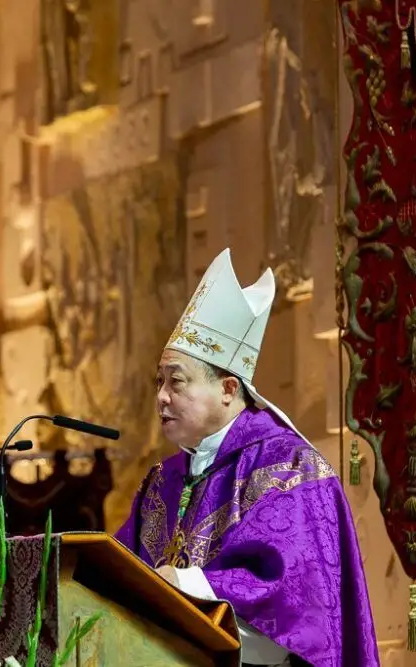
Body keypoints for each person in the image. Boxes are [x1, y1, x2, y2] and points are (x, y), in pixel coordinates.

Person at [115, 249, 378, 667]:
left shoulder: (290, 470)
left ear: (228, 389)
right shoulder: (162, 481)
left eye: (176, 382)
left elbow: (298, 607)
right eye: (158, 381)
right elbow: (115, 571)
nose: (161, 396)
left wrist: (184, 583)